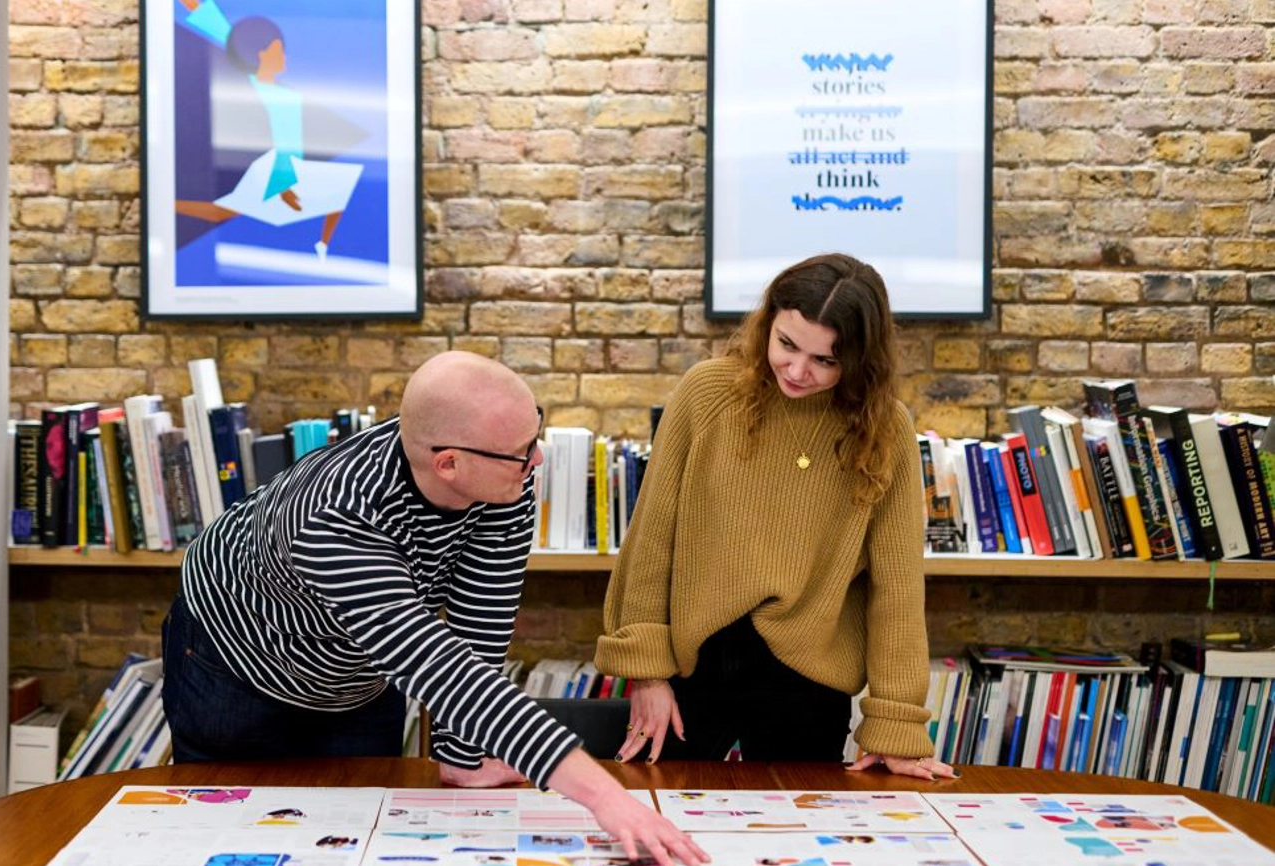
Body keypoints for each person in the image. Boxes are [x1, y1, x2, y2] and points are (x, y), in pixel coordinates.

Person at [163, 351, 708, 866]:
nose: (536, 459)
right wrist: (607, 799)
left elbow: (482, 617)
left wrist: (460, 755)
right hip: (234, 665)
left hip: (360, 675)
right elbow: (437, 666)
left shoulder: (504, 480)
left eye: (534, 434)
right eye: (523, 450)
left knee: (356, 837)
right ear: (447, 462)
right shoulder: (331, 515)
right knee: (226, 837)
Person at [594, 253, 957, 780]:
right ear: (769, 321)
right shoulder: (706, 394)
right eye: (787, 344)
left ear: (860, 361)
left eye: (826, 360)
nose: (797, 370)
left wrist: (897, 727)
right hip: (694, 666)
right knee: (664, 830)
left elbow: (896, 588)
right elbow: (653, 541)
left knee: (799, 842)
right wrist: (646, 675)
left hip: (809, 680)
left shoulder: (886, 430)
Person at [175, 15, 361, 262]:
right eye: (280, 51)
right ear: (262, 54)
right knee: (222, 213)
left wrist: (291, 181)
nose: (286, 58)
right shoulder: (249, 85)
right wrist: (284, 183)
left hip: (289, 173)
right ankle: (169, 205)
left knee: (340, 188)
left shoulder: (290, 97)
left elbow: (291, 146)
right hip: (269, 171)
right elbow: (222, 31)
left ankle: (323, 244)